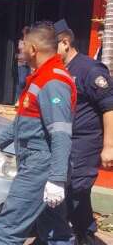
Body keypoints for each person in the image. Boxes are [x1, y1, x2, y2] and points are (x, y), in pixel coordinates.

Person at [0, 21, 76, 245]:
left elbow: (61, 134)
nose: (20, 49)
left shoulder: (53, 81)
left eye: (23, 44)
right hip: (39, 163)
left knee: (7, 227)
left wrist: (57, 179)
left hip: (41, 165)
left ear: (33, 49)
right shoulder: (40, 77)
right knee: (54, 229)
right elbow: (23, 122)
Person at [55, 19, 113, 244]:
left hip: (85, 143)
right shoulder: (61, 69)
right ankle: (85, 232)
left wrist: (109, 146)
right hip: (67, 141)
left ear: (66, 43)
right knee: (75, 190)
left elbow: (109, 107)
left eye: (54, 47)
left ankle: (77, 234)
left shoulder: (89, 69)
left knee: (76, 189)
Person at [15, 26, 31, 102]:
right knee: (21, 81)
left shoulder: (30, 41)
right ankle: (18, 98)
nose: (25, 34)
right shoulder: (21, 41)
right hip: (22, 63)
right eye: (25, 32)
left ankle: (24, 99)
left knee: (27, 81)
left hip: (29, 63)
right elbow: (20, 52)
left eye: (27, 32)